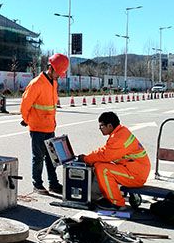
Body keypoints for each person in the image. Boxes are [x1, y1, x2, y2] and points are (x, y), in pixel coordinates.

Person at [77, 111, 150, 209]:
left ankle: (116, 203)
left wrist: (86, 159)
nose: (100, 129)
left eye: (102, 126)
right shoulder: (120, 132)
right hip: (134, 169)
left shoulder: (119, 137)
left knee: (104, 169)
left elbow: (105, 156)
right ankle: (108, 196)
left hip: (136, 175)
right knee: (99, 165)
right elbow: (104, 151)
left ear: (110, 126)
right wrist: (88, 157)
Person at [20, 53, 69, 195]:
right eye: (58, 73)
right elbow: (25, 104)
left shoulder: (53, 82)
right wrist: (28, 120)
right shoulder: (37, 83)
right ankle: (37, 184)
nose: (59, 76)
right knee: (38, 158)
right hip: (38, 128)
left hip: (49, 126)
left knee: (51, 158)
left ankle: (53, 184)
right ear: (51, 68)